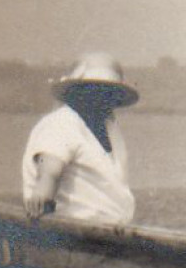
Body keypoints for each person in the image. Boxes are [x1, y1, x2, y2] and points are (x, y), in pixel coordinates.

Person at [21, 53, 140, 225]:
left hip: (111, 230)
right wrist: (41, 196)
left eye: (108, 92)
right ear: (77, 92)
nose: (101, 98)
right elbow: (49, 171)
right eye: (93, 91)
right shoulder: (62, 123)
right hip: (76, 230)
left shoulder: (108, 125)